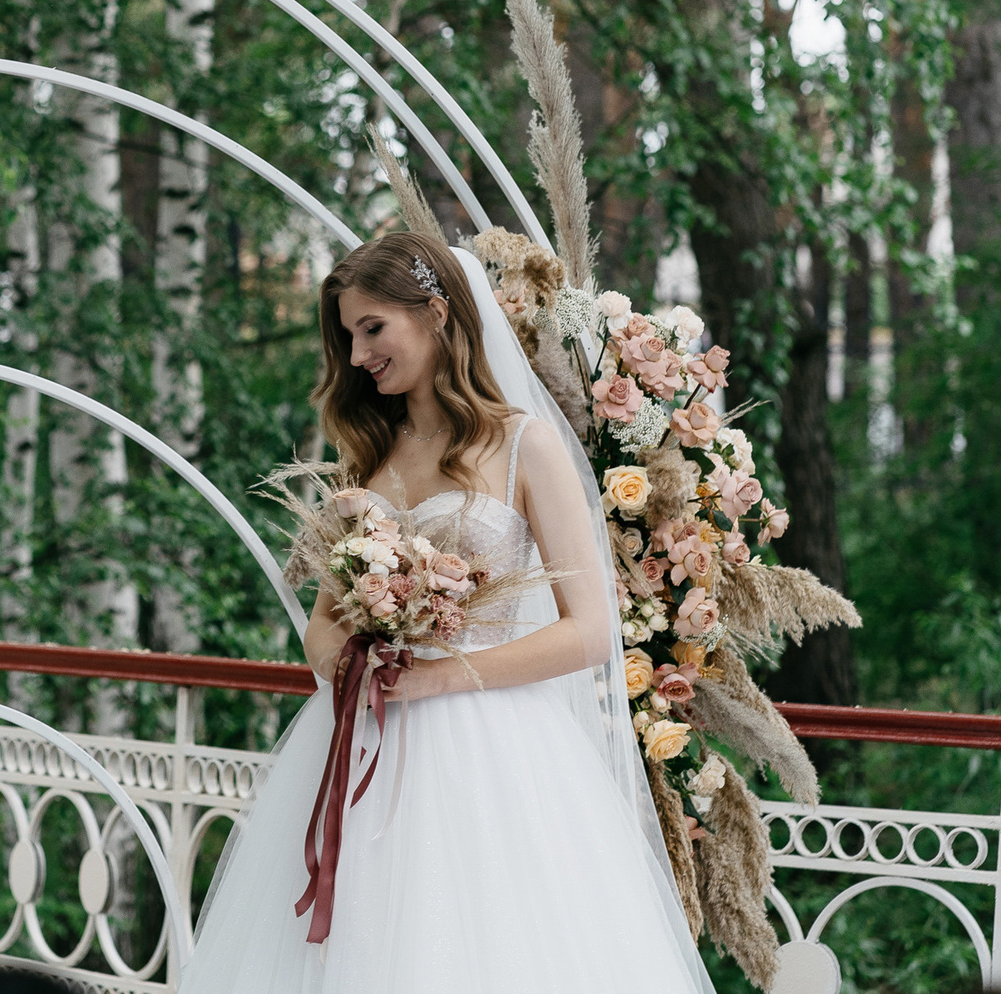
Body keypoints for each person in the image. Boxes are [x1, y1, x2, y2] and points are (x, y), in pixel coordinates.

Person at [179, 230, 715, 992]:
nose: (358, 354)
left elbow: (591, 629)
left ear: (434, 313)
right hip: (364, 739)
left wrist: (441, 676)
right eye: (348, 335)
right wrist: (352, 655)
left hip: (493, 746)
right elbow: (322, 621)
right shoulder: (368, 453)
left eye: (373, 328)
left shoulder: (525, 445)